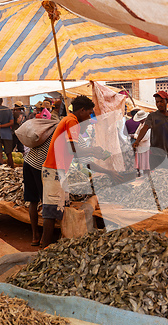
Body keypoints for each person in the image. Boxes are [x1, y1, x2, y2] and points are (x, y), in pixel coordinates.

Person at [41, 95, 122, 248]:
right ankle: (44, 248)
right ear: (82, 110)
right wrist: (94, 151)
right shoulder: (72, 121)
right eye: (89, 113)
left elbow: (80, 157)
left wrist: (103, 166)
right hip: (54, 170)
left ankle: (53, 244)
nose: (89, 117)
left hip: (58, 170)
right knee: (51, 211)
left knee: (58, 208)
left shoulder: (69, 121)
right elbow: (74, 150)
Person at [23, 127, 57, 246]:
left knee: (33, 200)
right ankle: (44, 239)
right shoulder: (64, 130)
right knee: (47, 201)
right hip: (41, 166)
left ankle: (35, 236)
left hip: (28, 162)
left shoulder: (47, 130)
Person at [133, 91, 168, 171]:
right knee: (157, 180)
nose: (159, 104)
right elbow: (145, 128)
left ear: (167, 101)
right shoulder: (152, 116)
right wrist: (137, 141)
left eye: (161, 101)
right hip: (155, 155)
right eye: (157, 102)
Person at [132, 110, 150, 177]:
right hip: (141, 147)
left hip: (145, 147)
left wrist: (136, 137)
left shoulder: (147, 125)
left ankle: (147, 178)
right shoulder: (141, 124)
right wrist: (136, 136)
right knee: (142, 165)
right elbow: (137, 133)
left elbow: (145, 137)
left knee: (146, 166)